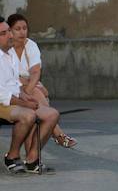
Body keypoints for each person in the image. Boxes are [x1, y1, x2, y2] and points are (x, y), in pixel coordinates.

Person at [7, 14, 76, 148]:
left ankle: (41, 148)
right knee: (39, 92)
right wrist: (29, 87)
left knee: (37, 92)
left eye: (24, 28)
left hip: (29, 87)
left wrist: (28, 90)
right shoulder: (5, 48)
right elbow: (10, 77)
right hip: (11, 89)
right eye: (17, 29)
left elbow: (35, 72)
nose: (22, 32)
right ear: (10, 31)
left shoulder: (31, 45)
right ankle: (58, 133)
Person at [0, 17, 60, 174]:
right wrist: (25, 104)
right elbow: (2, 94)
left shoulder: (9, 55)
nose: (10, 36)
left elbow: (14, 85)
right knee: (28, 116)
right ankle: (12, 156)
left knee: (52, 114)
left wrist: (26, 97)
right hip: (2, 102)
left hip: (12, 100)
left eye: (8, 32)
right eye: (4, 33)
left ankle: (32, 159)